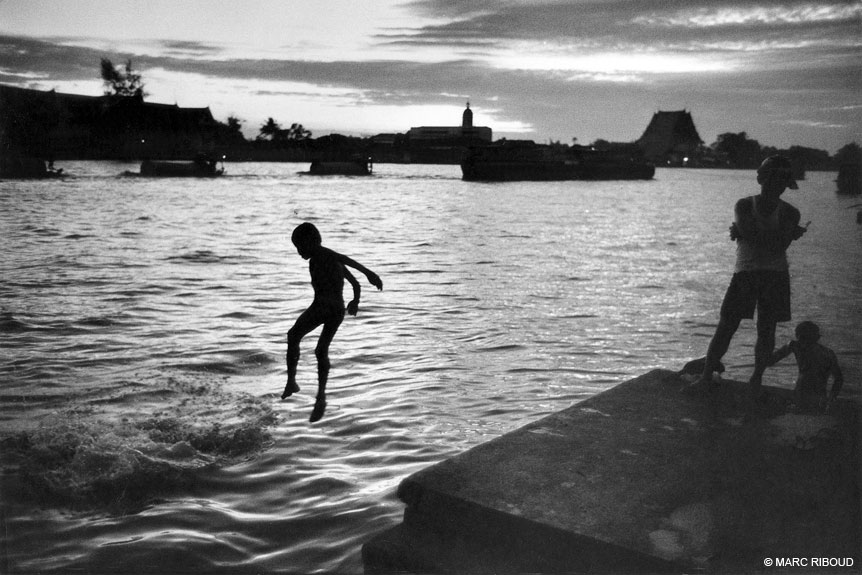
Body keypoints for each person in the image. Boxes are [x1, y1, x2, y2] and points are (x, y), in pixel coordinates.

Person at [691, 155, 808, 399]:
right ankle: (705, 377)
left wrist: (746, 233)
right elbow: (772, 240)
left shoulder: (790, 212)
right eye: (772, 179)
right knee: (726, 326)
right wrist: (780, 235)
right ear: (762, 180)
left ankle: (756, 379)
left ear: (785, 184)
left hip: (774, 275)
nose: (775, 185)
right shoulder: (745, 205)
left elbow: (769, 242)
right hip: (746, 273)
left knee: (766, 330)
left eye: (780, 181)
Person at [282, 222, 383, 422]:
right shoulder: (326, 259)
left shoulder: (322, 254)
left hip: (323, 306)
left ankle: (293, 382)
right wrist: (356, 300)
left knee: (294, 335)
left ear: (311, 242)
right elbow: (354, 282)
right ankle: (320, 397)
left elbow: (346, 259)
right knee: (321, 350)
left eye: (300, 247)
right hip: (336, 310)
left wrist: (370, 273)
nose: (299, 252)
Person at [768, 321, 844, 413]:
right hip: (819, 400)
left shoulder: (796, 346)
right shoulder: (828, 353)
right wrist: (831, 399)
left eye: (801, 338)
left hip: (803, 399)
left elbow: (770, 361)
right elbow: (839, 379)